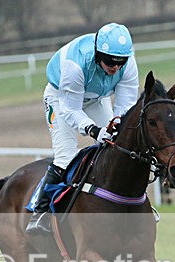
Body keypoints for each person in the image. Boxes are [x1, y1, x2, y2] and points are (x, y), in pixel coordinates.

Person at [26, 22, 139, 234]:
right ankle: (39, 213)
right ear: (97, 53)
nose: (115, 67)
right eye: (109, 61)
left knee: (116, 146)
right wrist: (94, 130)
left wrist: (116, 125)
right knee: (66, 157)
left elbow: (126, 105)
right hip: (61, 99)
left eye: (120, 62)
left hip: (96, 99)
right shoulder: (76, 65)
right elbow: (71, 111)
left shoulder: (128, 63)